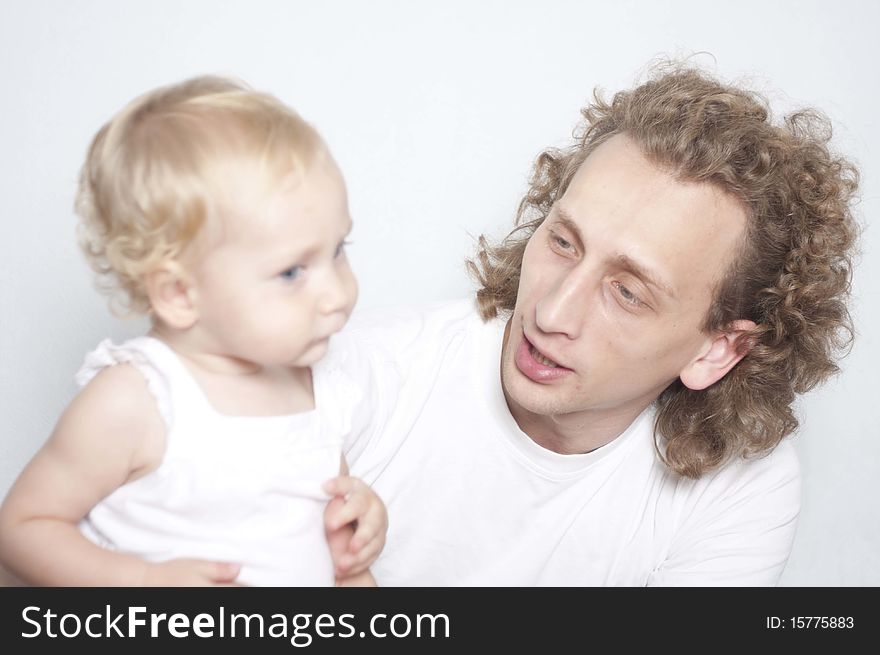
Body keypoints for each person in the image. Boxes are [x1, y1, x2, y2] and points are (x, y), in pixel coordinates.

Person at [331, 65, 860, 585]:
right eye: (563, 243)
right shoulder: (360, 378)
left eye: (627, 293)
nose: (549, 314)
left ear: (718, 350)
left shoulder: (740, 488)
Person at [0, 76, 386, 586]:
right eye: (293, 272)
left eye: (338, 250)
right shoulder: (140, 399)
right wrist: (142, 582)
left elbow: (315, 557)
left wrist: (356, 539)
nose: (338, 293)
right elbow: (22, 529)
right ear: (180, 295)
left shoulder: (313, 390)